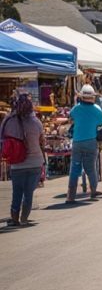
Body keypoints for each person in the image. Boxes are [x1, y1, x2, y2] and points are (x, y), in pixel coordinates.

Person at [2, 94, 45, 225]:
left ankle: (15, 219)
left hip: (17, 164)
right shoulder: (36, 122)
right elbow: (42, 142)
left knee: (17, 193)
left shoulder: (8, 122)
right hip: (35, 163)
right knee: (28, 193)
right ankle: (24, 218)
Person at [67, 85, 102, 203]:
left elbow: (71, 119)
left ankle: (70, 196)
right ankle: (93, 191)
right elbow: (101, 124)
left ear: (82, 97)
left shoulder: (76, 109)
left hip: (77, 142)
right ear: (93, 97)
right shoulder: (97, 109)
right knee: (91, 168)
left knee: (74, 168)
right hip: (90, 141)